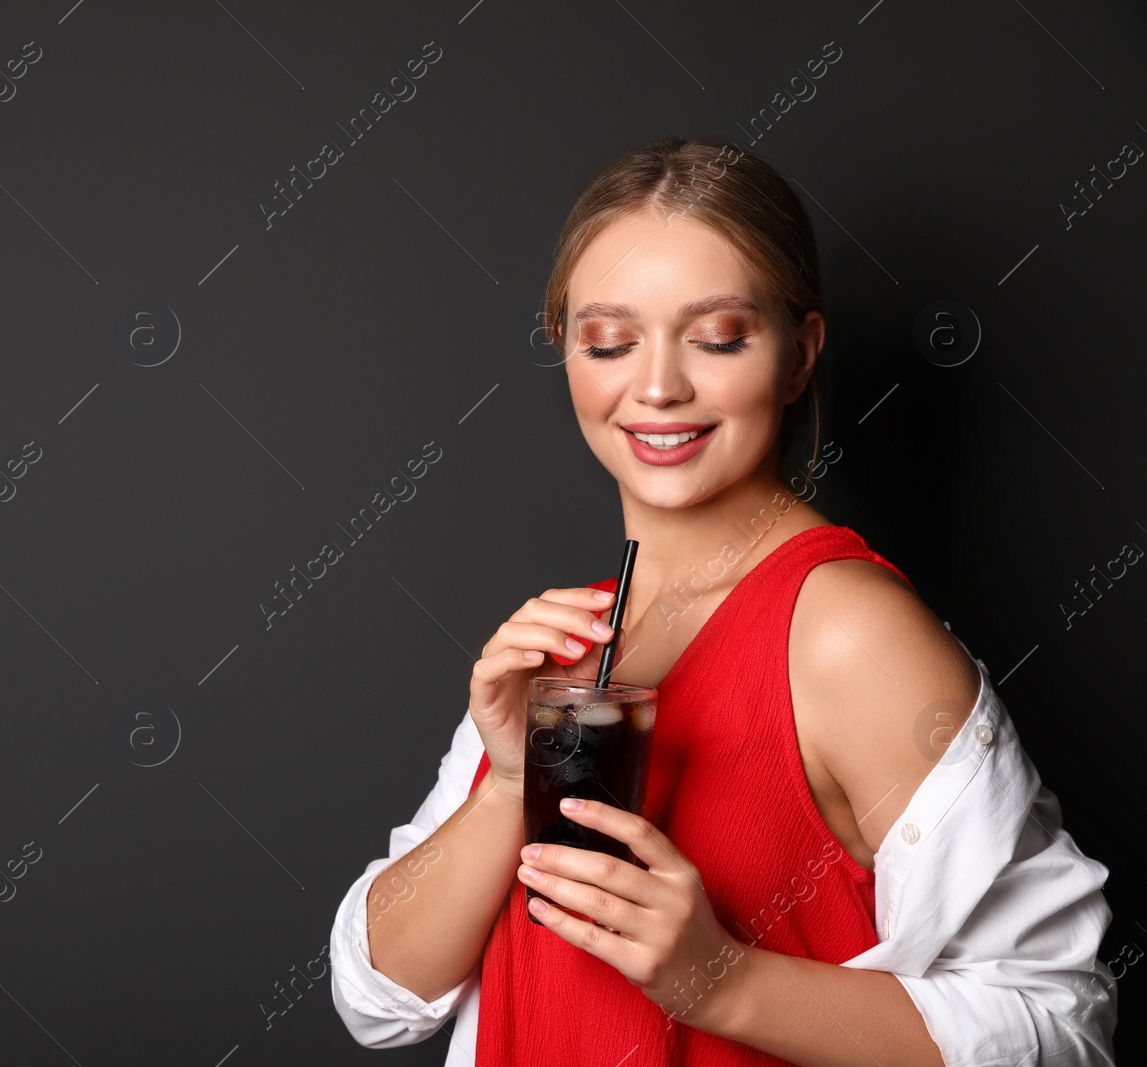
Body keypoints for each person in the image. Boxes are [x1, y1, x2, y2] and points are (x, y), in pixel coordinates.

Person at [328, 137, 1117, 1066]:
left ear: (798, 354)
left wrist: (723, 981)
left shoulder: (846, 635)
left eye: (717, 338)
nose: (657, 386)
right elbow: (377, 994)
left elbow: (1059, 1029)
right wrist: (509, 781)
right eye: (611, 341)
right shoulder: (571, 642)